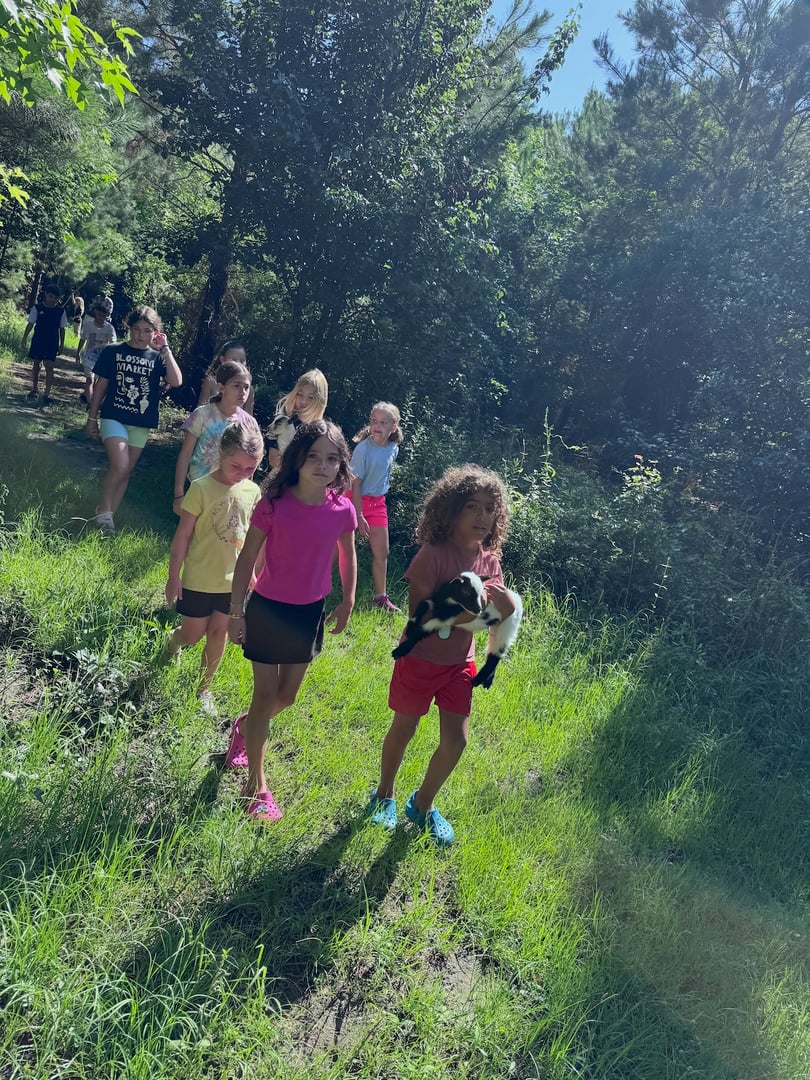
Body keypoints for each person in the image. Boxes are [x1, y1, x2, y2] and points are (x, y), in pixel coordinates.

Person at [365, 465, 515, 845]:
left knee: (457, 741)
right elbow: (420, 614)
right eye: (472, 507)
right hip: (421, 659)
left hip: (459, 664)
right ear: (450, 511)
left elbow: (488, 618)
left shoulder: (490, 561)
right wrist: (471, 614)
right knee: (405, 728)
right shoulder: (432, 555)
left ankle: (423, 805)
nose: (482, 517)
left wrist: (504, 613)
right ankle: (384, 795)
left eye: (489, 508)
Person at [226, 420, 357, 821]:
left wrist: (348, 599)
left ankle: (244, 729)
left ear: (341, 465)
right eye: (313, 456)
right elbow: (247, 558)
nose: (322, 465)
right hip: (267, 609)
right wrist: (235, 613)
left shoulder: (342, 510)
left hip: (308, 614)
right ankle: (256, 787)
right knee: (266, 695)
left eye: (331, 458)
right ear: (297, 459)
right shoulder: (273, 504)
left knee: (286, 697)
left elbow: (348, 557)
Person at [164, 422, 264, 714]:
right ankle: (173, 641)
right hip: (198, 578)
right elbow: (183, 535)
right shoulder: (201, 488)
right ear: (221, 454)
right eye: (236, 466)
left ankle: (204, 688)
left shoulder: (253, 491)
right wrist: (173, 575)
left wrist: (255, 571)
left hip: (232, 583)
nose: (243, 474)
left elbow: (252, 538)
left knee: (218, 633)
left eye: (250, 468)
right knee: (193, 634)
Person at [86, 305, 182, 535]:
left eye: (147, 331)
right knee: (119, 464)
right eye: (136, 329)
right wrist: (92, 417)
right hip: (114, 416)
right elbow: (101, 386)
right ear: (128, 329)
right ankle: (103, 512)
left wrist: (165, 349)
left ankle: (108, 520)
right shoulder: (113, 351)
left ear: (156, 333)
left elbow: (176, 381)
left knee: (126, 471)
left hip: (141, 422)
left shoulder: (157, 357)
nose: (140, 335)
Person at [173, 360, 261, 514]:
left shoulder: (249, 423)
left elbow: (250, 462)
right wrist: (179, 493)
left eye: (246, 387)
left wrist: (247, 496)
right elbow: (185, 454)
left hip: (231, 490)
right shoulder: (202, 414)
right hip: (200, 487)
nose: (242, 392)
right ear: (221, 387)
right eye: (236, 386)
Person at [351, 401, 403, 613]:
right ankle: (317, 585)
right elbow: (355, 484)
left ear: (393, 426)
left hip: (378, 503)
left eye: (383, 422)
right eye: (374, 421)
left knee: (382, 552)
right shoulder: (362, 449)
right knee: (339, 550)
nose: (377, 426)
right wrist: (359, 515)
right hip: (354, 500)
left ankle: (380, 598)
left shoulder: (394, 448)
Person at [266, 369, 328, 471]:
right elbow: (274, 459)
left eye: (311, 397)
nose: (303, 401)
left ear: (320, 401)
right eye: (300, 394)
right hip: (279, 480)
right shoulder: (283, 420)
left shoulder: (321, 432)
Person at [21, 283, 68, 403]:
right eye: (51, 296)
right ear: (46, 295)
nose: (53, 299)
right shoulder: (37, 308)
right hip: (38, 340)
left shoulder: (60, 311)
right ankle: (34, 389)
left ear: (58, 298)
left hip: (52, 341)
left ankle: (47, 393)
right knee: (36, 363)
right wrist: (24, 338)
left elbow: (62, 329)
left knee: (49, 366)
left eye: (55, 298)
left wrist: (62, 344)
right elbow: (30, 324)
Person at [76, 297, 116, 405]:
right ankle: (90, 403)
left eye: (104, 315)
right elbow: (83, 339)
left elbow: (113, 344)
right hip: (89, 357)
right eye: (99, 314)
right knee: (89, 380)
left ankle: (93, 399)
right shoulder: (88, 326)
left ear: (107, 315)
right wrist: (78, 352)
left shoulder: (110, 329)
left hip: (102, 359)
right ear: (95, 313)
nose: (101, 317)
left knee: (98, 382)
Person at [197, 340, 255, 414]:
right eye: (234, 359)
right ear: (222, 359)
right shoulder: (211, 382)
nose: (238, 363)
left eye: (242, 360)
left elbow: (248, 418)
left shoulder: (248, 388)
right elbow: (199, 410)